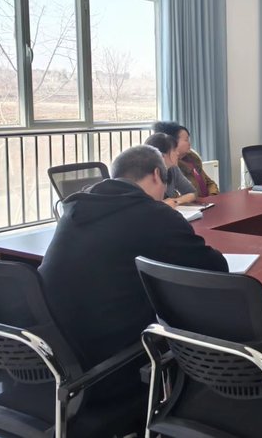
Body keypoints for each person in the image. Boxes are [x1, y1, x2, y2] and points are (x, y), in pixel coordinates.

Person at [39, 145, 228, 402]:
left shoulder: (75, 209)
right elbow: (214, 268)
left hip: (55, 362)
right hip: (111, 369)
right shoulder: (154, 214)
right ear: (156, 175)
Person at [153, 121, 218, 197]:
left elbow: (209, 183)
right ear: (173, 142)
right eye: (186, 140)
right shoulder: (172, 167)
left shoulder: (192, 160)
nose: (189, 143)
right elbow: (174, 197)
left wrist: (212, 196)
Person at [145, 132, 197, 207]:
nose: (177, 153)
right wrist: (163, 205)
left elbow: (192, 193)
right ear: (161, 155)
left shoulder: (173, 169)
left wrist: (175, 202)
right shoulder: (144, 175)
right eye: (174, 150)